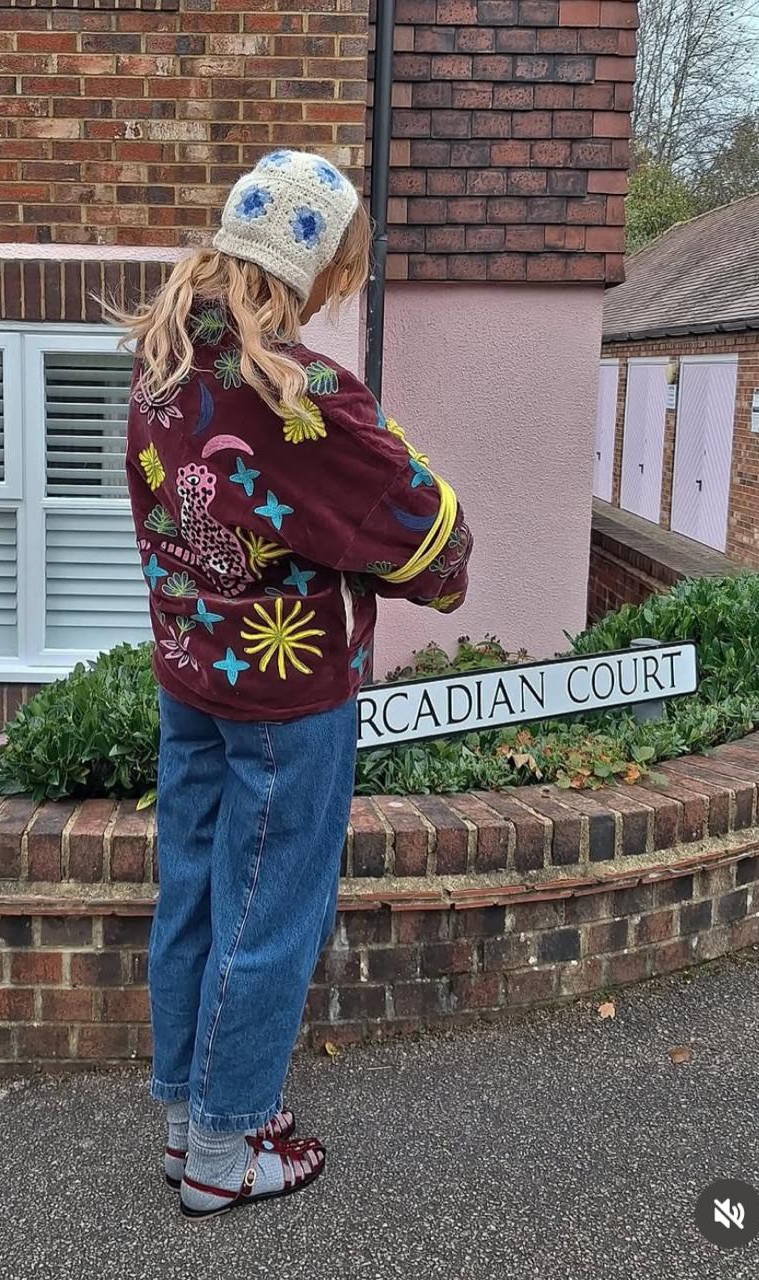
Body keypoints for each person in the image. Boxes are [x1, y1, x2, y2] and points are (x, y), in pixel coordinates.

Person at [119, 149, 473, 1220]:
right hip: (287, 699)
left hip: (190, 675)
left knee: (193, 891)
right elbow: (426, 538)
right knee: (270, 910)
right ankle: (227, 1152)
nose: (337, 294)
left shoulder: (165, 359)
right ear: (313, 263)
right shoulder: (296, 389)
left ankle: (189, 1117)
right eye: (339, 270)